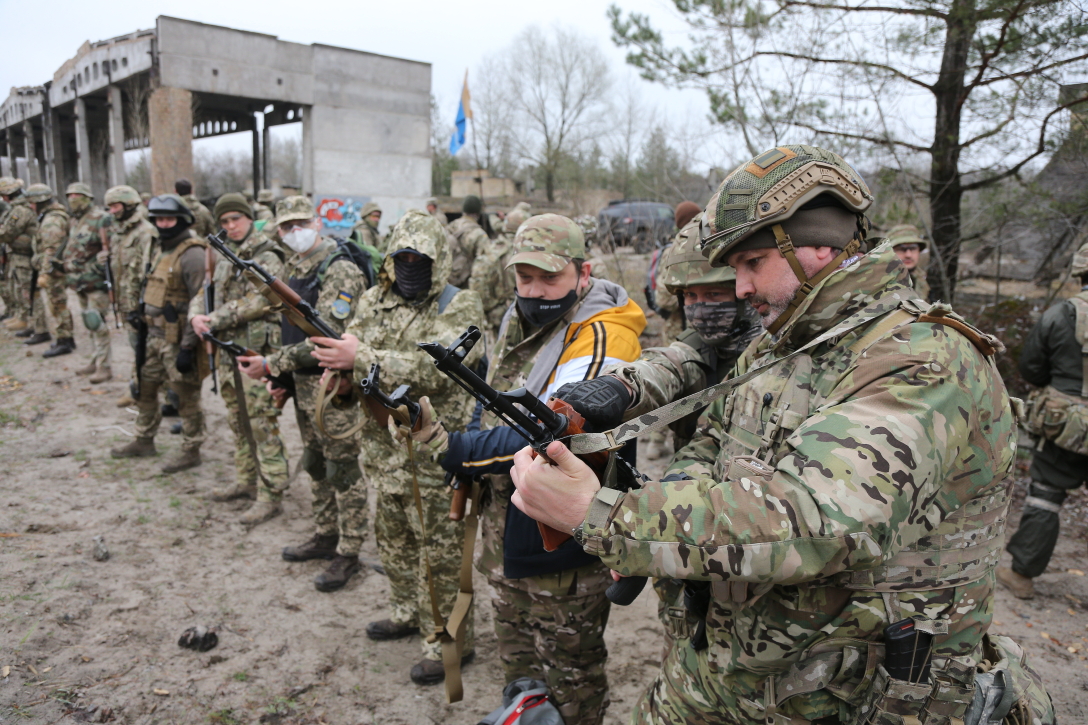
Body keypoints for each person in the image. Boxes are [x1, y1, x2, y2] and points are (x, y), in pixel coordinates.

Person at [509, 145, 1027, 724]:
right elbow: (710, 447)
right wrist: (657, 537)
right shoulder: (783, 344)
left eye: (751, 262)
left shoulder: (923, 361)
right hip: (728, 673)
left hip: (847, 697)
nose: (739, 289)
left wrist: (607, 515)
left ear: (817, 247)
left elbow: (816, 520)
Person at [435, 214, 645, 724]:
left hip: (565, 545)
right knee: (521, 673)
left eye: (549, 279)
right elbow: (498, 397)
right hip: (511, 526)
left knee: (571, 685)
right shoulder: (522, 318)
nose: (534, 291)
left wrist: (458, 447)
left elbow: (552, 430)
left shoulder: (603, 336)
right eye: (524, 278)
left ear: (584, 272)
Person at [309, 209, 486, 685]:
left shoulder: (458, 304)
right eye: (401, 256)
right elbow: (362, 366)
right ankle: (407, 611)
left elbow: (440, 367)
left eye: (420, 258)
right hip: (383, 450)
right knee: (395, 543)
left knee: (442, 555)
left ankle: (450, 643)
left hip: (433, 453)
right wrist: (345, 379)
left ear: (439, 259)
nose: (410, 266)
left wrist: (360, 355)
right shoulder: (371, 301)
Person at [237, 196, 368, 591]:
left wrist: (271, 364)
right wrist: (283, 380)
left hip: (334, 386)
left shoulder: (340, 270)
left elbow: (327, 338)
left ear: (316, 222)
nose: (295, 232)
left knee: (342, 467)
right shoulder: (294, 267)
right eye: (285, 227)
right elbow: (287, 329)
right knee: (314, 461)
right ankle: (326, 533)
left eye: (300, 223)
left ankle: (349, 550)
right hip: (304, 383)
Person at [189, 193, 290, 526]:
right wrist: (196, 317)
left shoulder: (267, 254)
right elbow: (204, 293)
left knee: (261, 421)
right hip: (228, 351)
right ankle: (246, 479)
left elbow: (261, 300)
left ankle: (271, 492)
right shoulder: (222, 255)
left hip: (256, 352)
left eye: (236, 219)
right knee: (237, 420)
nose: (231, 226)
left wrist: (214, 319)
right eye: (225, 221)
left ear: (249, 218)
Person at [999, 240, 1088, 600]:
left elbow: (1032, 369)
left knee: (1046, 497)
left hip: (1064, 425)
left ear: (1080, 271)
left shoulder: (1060, 314)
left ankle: (1021, 576)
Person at [110, 194, 207, 473]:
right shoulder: (157, 248)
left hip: (177, 340)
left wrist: (189, 347)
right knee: (145, 387)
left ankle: (192, 449)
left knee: (185, 396)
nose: (164, 224)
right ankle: (144, 439)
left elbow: (199, 301)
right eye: (160, 219)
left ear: (182, 220)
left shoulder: (193, 254)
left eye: (170, 219)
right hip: (151, 335)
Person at [61, 183, 113, 383]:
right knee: (88, 324)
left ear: (87, 197)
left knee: (97, 324)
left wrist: (100, 264)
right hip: (78, 282)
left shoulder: (101, 218)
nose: (73, 199)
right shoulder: (74, 220)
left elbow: (109, 249)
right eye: (70, 195)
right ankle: (94, 361)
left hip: (96, 283)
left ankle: (104, 366)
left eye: (77, 195)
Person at [24, 184, 75, 354]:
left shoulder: (51, 221)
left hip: (54, 270)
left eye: (32, 203)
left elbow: (51, 250)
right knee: (57, 304)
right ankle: (65, 338)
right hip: (54, 268)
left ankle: (64, 340)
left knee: (58, 304)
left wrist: (45, 272)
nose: (30, 207)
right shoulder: (50, 216)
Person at [468, 206, 527, 337]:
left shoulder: (491, 249)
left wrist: (489, 309)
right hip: (525, 313)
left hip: (497, 315)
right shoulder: (527, 251)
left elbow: (478, 284)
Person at [0, 177, 39, 334]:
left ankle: (34, 324)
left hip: (25, 255)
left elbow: (7, 233)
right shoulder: (15, 208)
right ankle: (23, 318)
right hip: (17, 254)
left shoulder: (20, 210)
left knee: (28, 290)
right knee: (19, 289)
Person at [446, 195, 491, 287]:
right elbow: (485, 266)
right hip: (466, 284)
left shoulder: (451, 226)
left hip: (447, 281)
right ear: (478, 213)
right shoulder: (480, 234)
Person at [887, 223, 930, 301]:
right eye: (901, 249)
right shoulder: (877, 280)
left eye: (913, 248)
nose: (908, 255)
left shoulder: (921, 279)